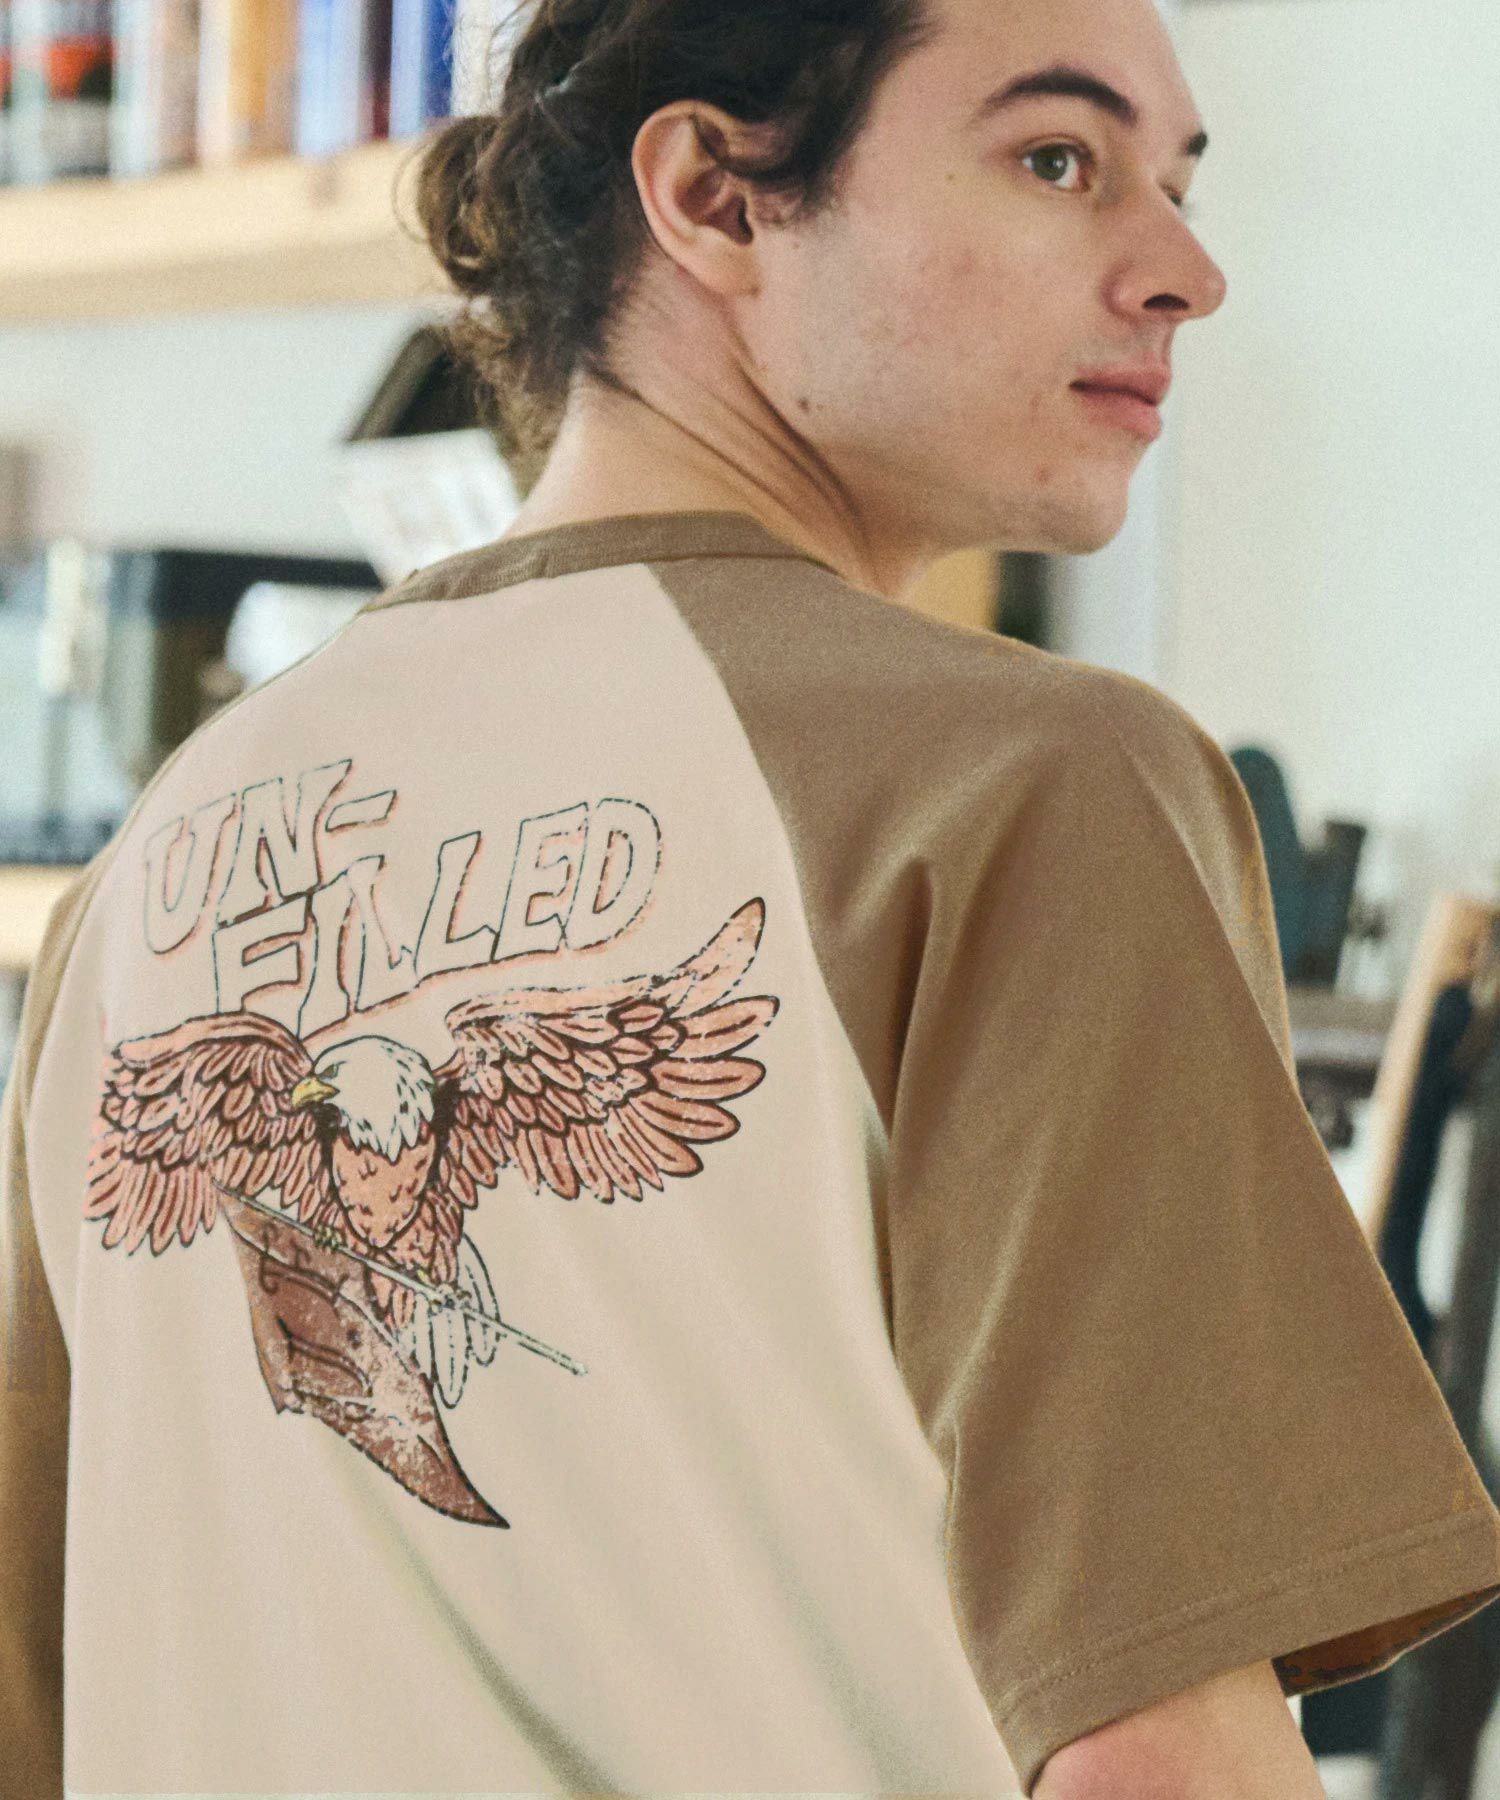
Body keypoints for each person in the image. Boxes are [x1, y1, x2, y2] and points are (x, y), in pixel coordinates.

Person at [4, 0, 1498, 1794]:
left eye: (1176, 184)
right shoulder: (1024, 788)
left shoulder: (153, 867)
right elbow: (1159, 1763)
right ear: (716, 197)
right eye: (1058, 159)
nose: (1186, 271)